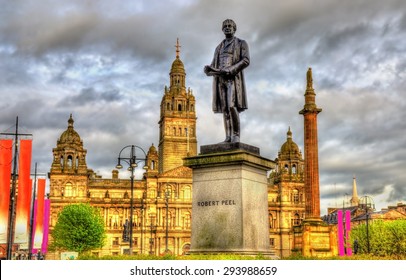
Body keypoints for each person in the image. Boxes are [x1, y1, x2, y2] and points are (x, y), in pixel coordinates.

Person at [204, 19, 250, 143]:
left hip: (233, 80)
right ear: (222, 29)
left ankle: (236, 135)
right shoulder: (218, 47)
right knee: (225, 108)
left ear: (234, 29)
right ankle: (228, 136)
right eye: (225, 26)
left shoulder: (241, 43)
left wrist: (231, 69)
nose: (228, 28)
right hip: (221, 81)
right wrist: (209, 69)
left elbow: (246, 60)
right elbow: (215, 64)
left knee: (231, 106)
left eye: (230, 26)